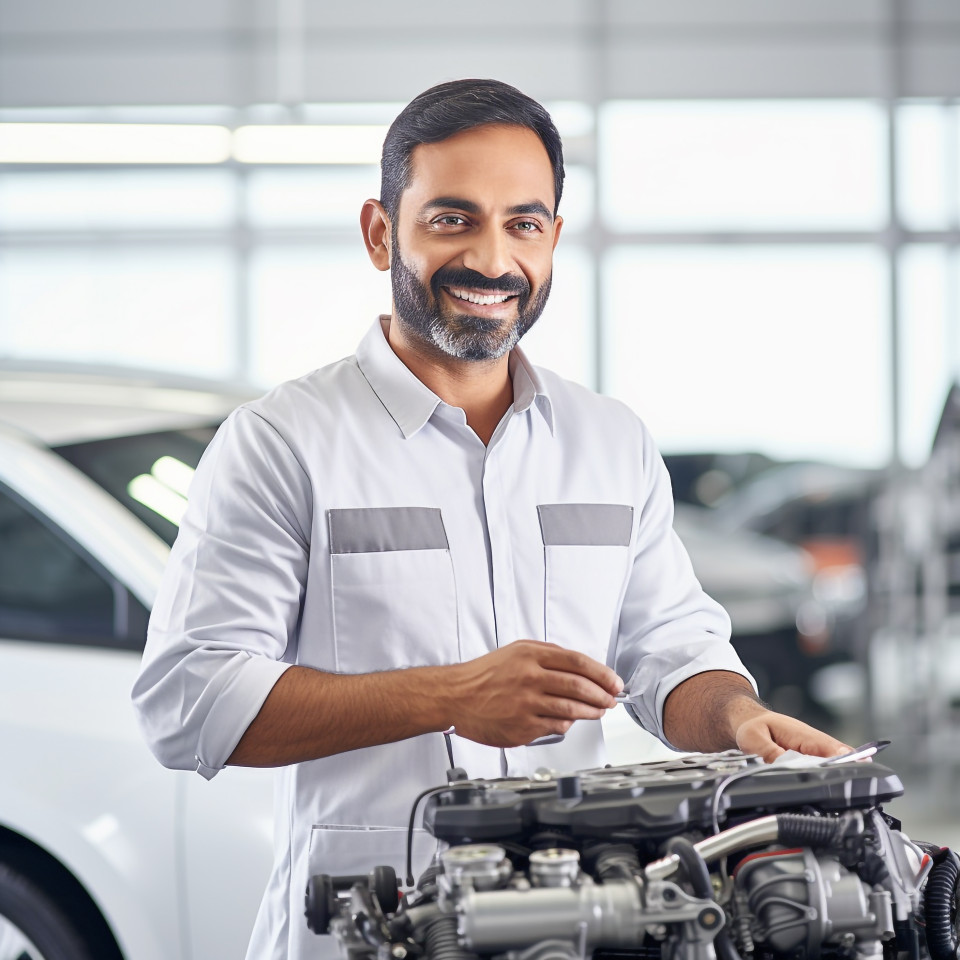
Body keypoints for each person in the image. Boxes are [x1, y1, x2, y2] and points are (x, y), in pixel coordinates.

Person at [132, 78, 849, 960]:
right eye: (452, 219)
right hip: (369, 925)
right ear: (381, 231)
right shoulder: (281, 442)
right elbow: (188, 701)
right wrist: (451, 696)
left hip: (583, 920)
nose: (493, 258)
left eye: (525, 223)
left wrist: (740, 721)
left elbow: (671, 649)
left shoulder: (609, 440)